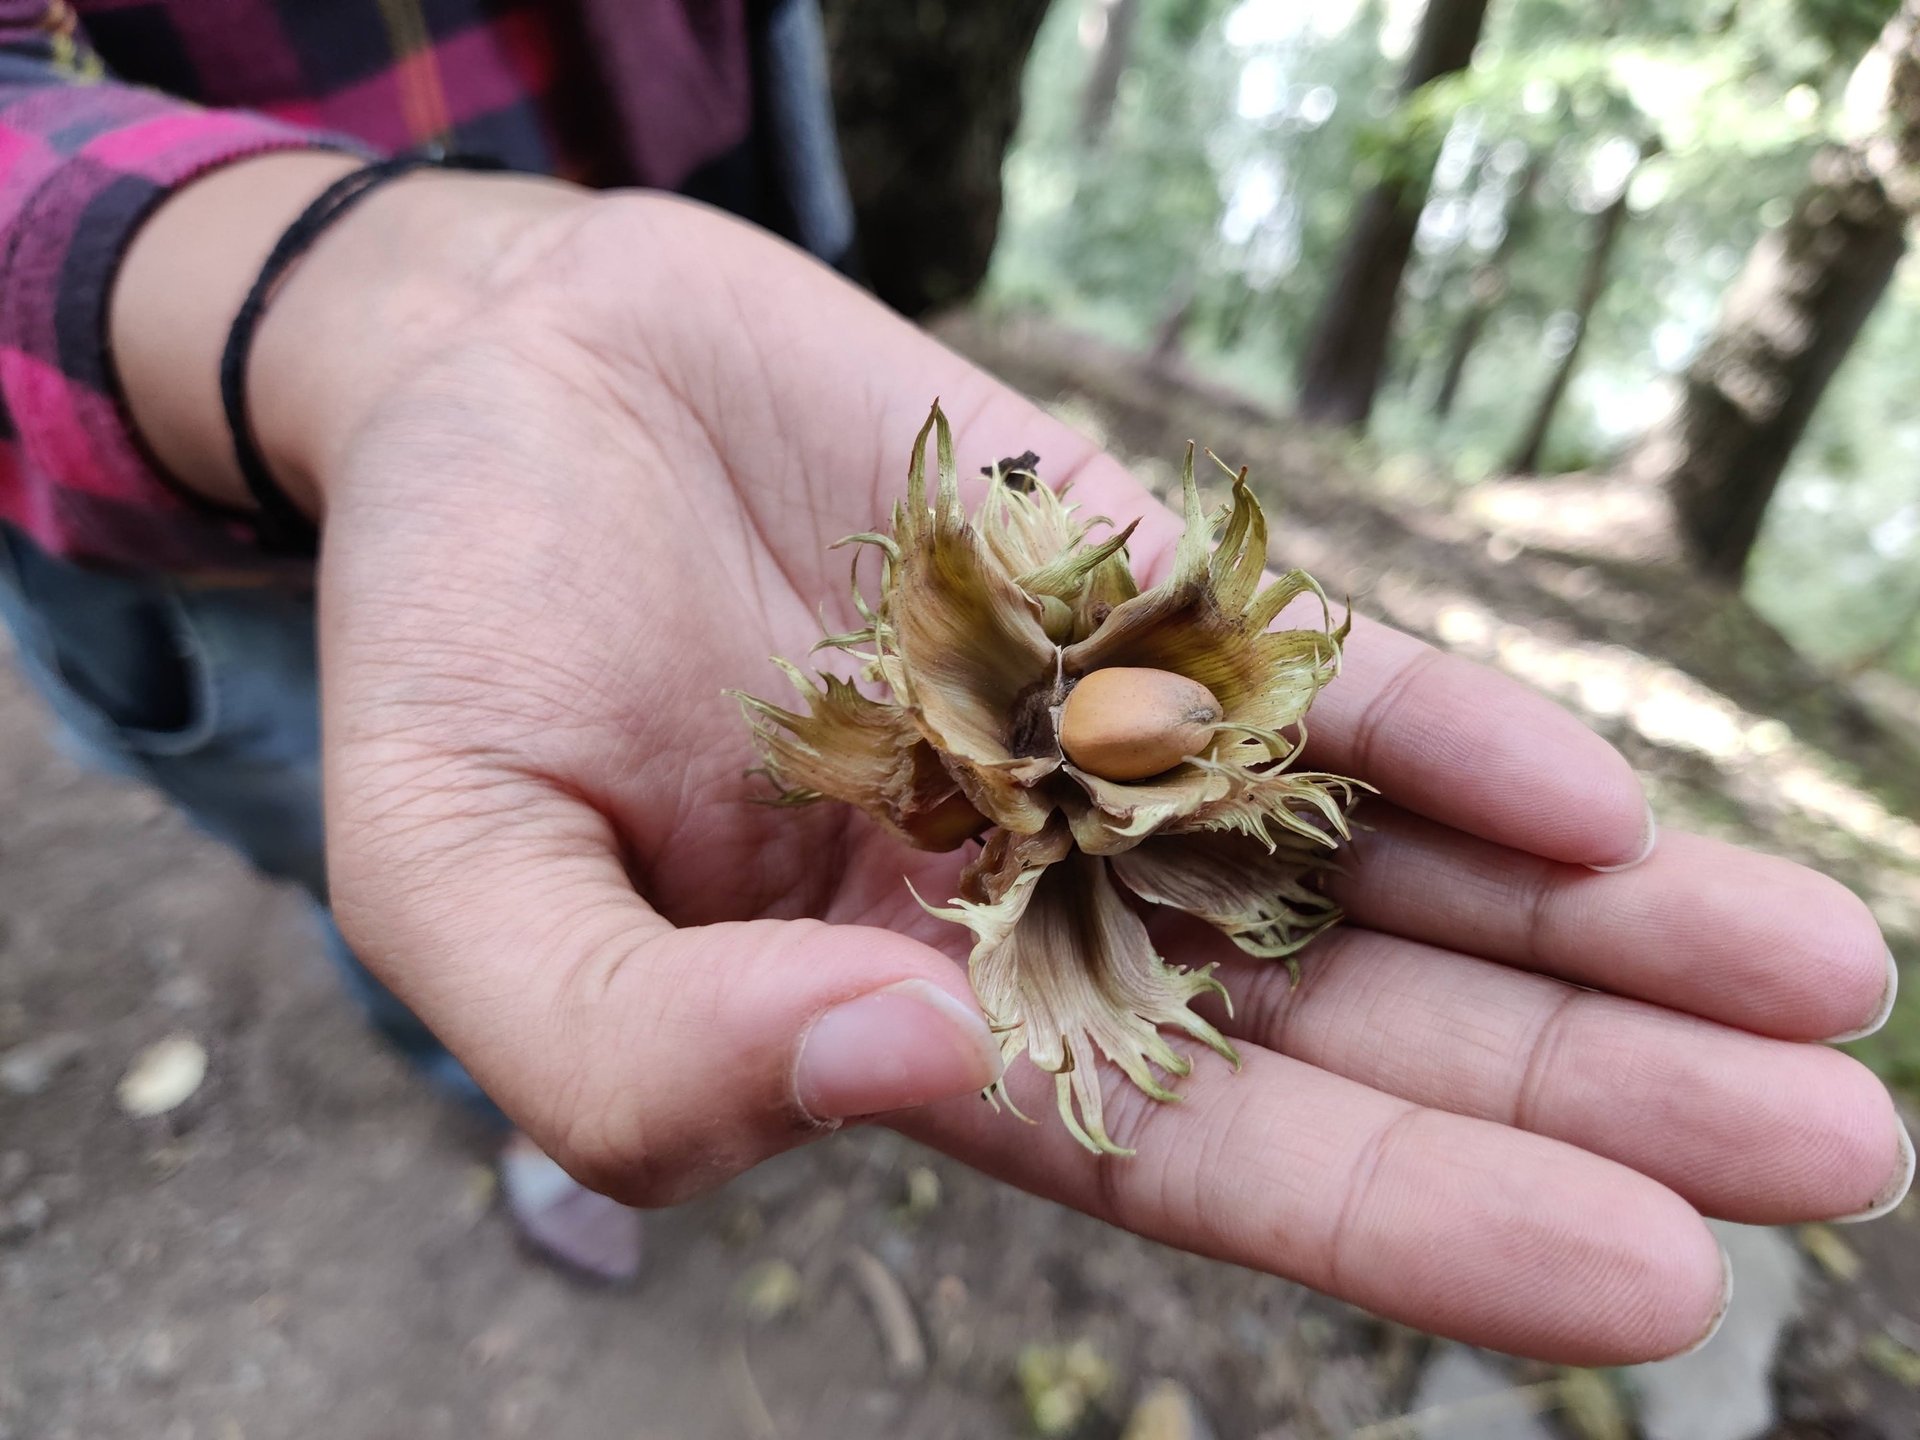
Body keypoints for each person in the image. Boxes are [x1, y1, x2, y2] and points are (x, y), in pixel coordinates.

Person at [0, 0, 1907, 1361]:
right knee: (375, 849)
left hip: (688, 249)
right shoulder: (967, 700)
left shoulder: (1102, 742)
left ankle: (603, 1035)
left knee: (541, 864)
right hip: (174, 459)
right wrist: (339, 302)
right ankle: (463, 1065)